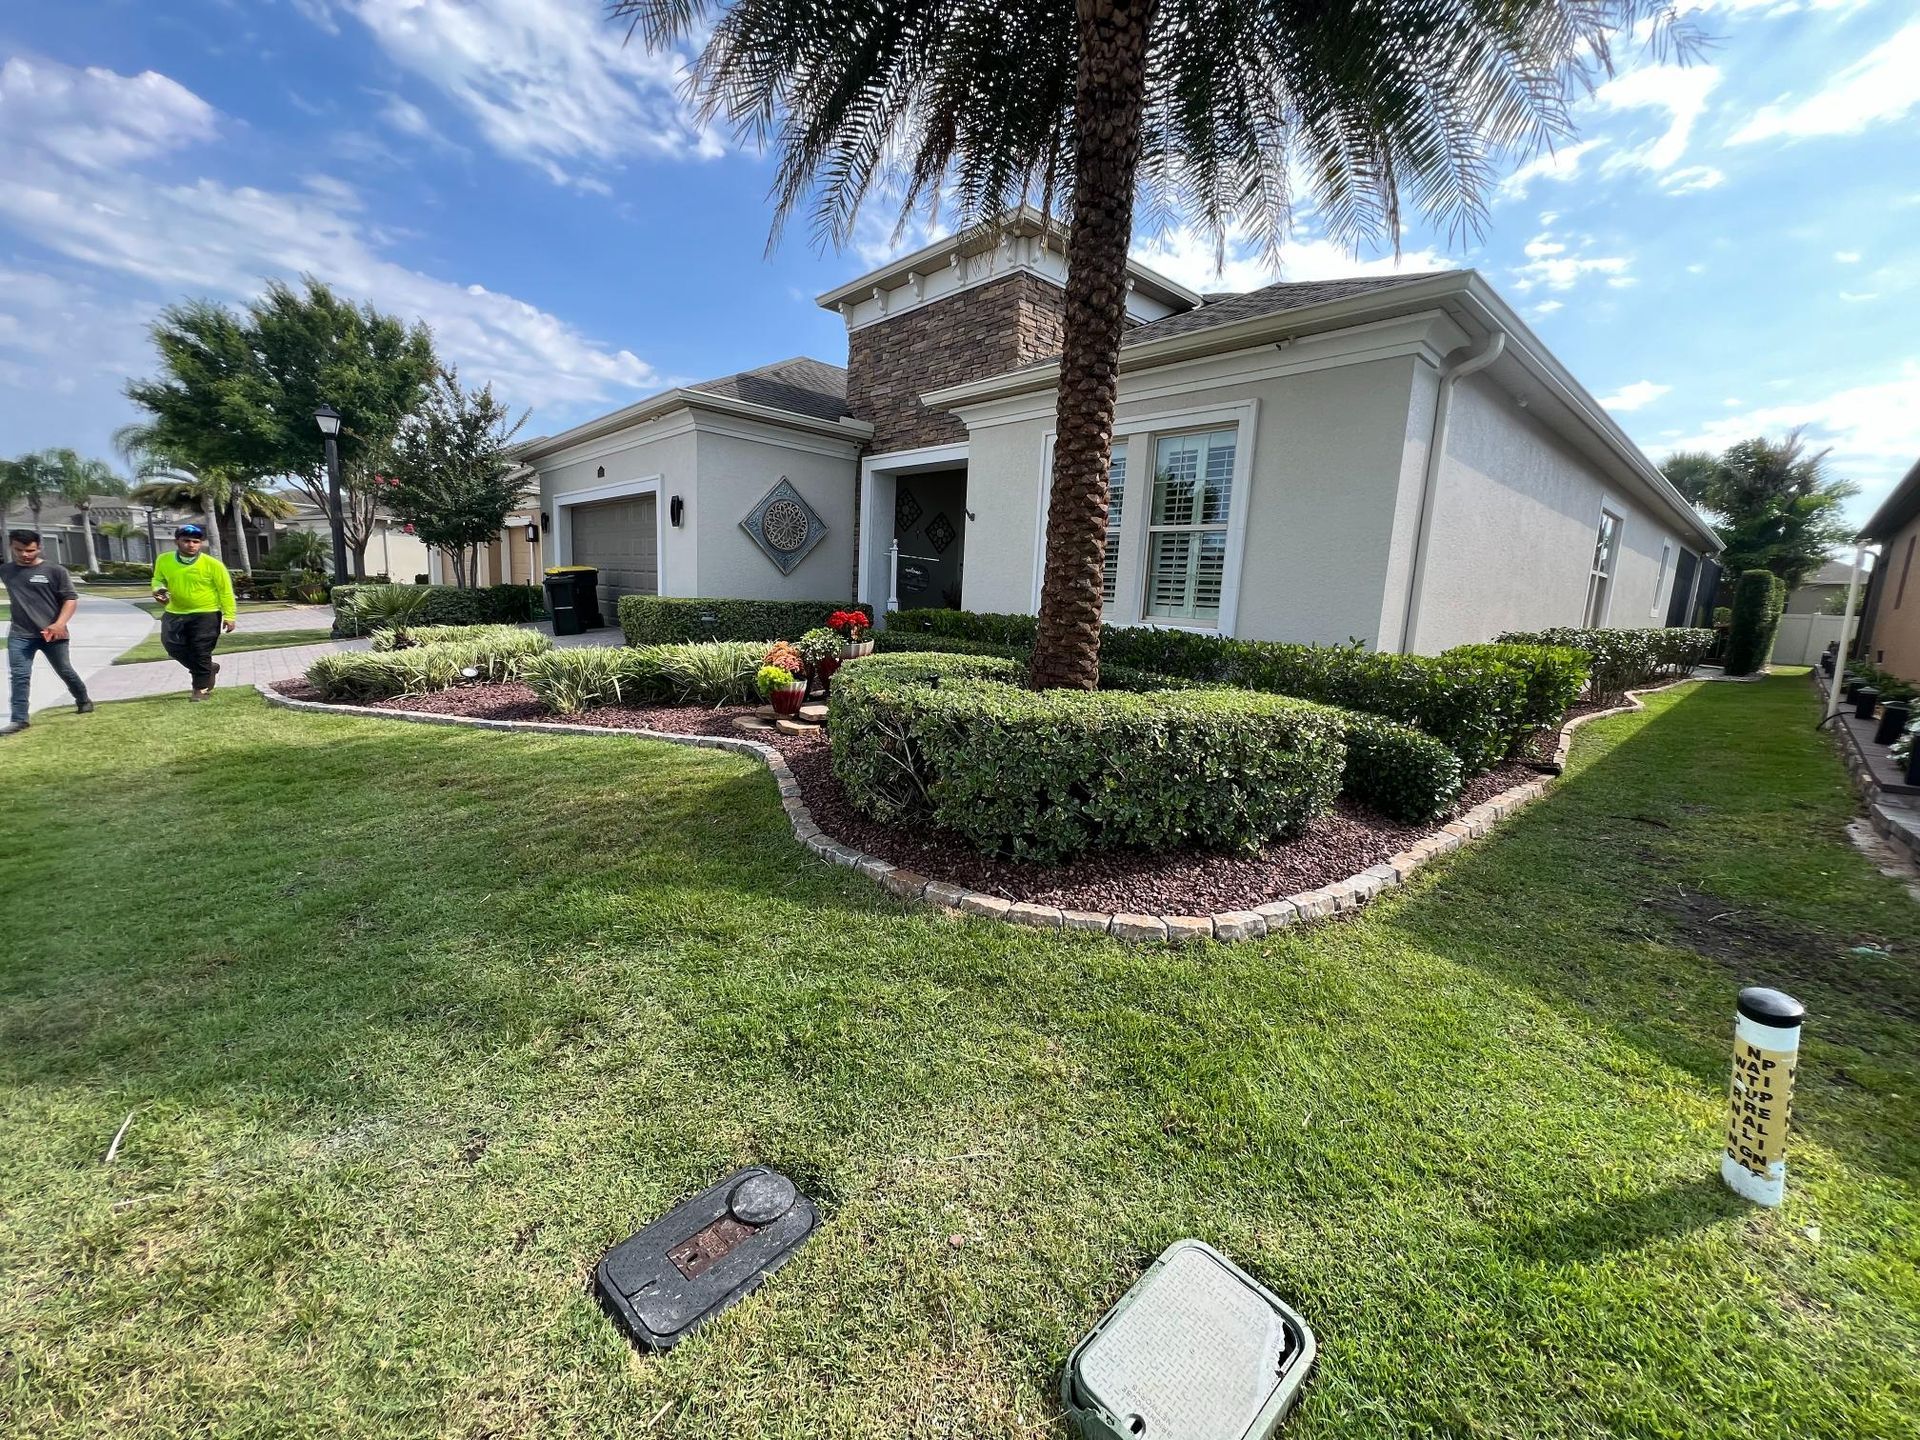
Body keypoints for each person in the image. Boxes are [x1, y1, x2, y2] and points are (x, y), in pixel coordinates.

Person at [3, 529, 94, 736]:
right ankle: (19, 719)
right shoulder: (6, 571)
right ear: (11, 547)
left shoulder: (55, 571)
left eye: (30, 550)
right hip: (21, 633)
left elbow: (70, 599)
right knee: (19, 675)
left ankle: (83, 700)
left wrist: (59, 624)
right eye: (19, 550)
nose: (25, 555)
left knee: (64, 670)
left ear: (39, 547)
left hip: (53, 633)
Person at [151, 523, 236, 700]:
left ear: (201, 543)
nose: (191, 545)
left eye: (196, 542)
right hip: (175, 612)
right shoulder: (164, 560)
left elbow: (225, 591)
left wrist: (229, 616)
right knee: (172, 646)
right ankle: (207, 669)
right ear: (177, 542)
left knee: (200, 651)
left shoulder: (213, 565)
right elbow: (158, 580)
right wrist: (158, 591)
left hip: (206, 614)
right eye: (186, 541)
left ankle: (200, 689)